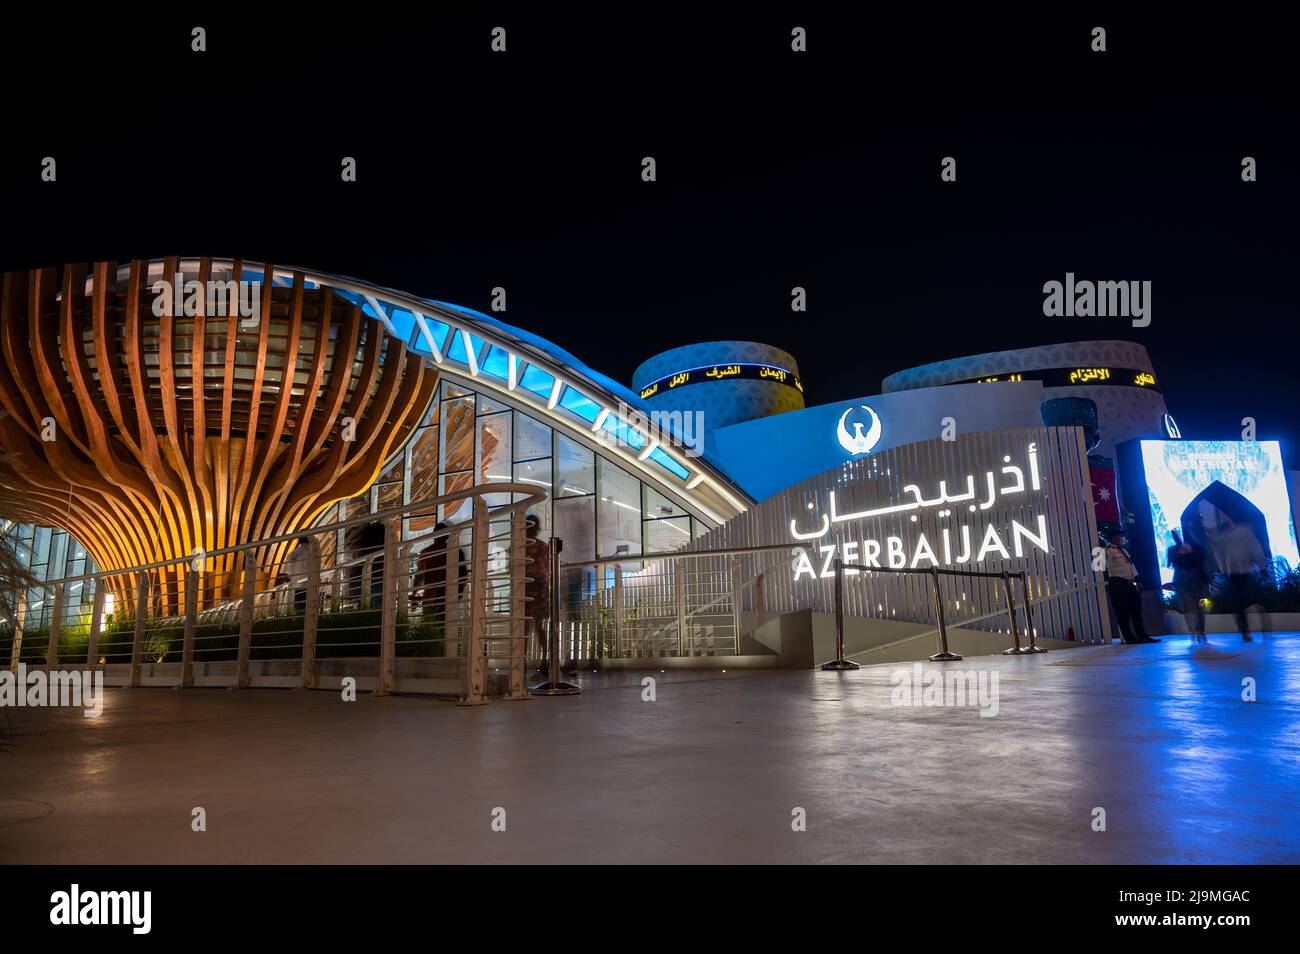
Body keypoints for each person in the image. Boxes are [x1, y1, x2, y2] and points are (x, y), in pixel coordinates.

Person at [1212, 519, 1267, 641]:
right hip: (1236, 572)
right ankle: (1245, 629)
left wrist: (1261, 565)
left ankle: (1246, 630)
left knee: (1240, 601)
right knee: (1239, 601)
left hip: (1244, 571)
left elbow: (1255, 548)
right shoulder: (1227, 536)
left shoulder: (1242, 532)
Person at [1104, 531, 1159, 644]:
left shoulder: (1123, 550)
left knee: (1136, 611)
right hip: (1117, 583)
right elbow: (1100, 566)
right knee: (1122, 612)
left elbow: (1131, 566)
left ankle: (1142, 636)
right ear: (1113, 537)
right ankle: (1129, 638)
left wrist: (1138, 581)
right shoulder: (1107, 551)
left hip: (1130, 583)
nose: (1121, 538)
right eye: (1119, 535)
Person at [1167, 529, 1209, 642]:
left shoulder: (1198, 548)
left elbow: (1202, 561)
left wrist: (1190, 552)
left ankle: (1201, 630)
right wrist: (1179, 552)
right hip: (1181, 581)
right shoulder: (1172, 550)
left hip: (1196, 580)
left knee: (1199, 605)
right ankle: (1194, 631)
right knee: (1187, 606)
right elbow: (1169, 563)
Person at [523, 515, 552, 673]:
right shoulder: (543, 546)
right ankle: (545, 658)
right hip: (540, 588)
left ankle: (522, 660)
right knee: (539, 625)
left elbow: (511, 567)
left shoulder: (520, 546)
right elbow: (543, 568)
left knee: (524, 627)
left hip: (523, 589)